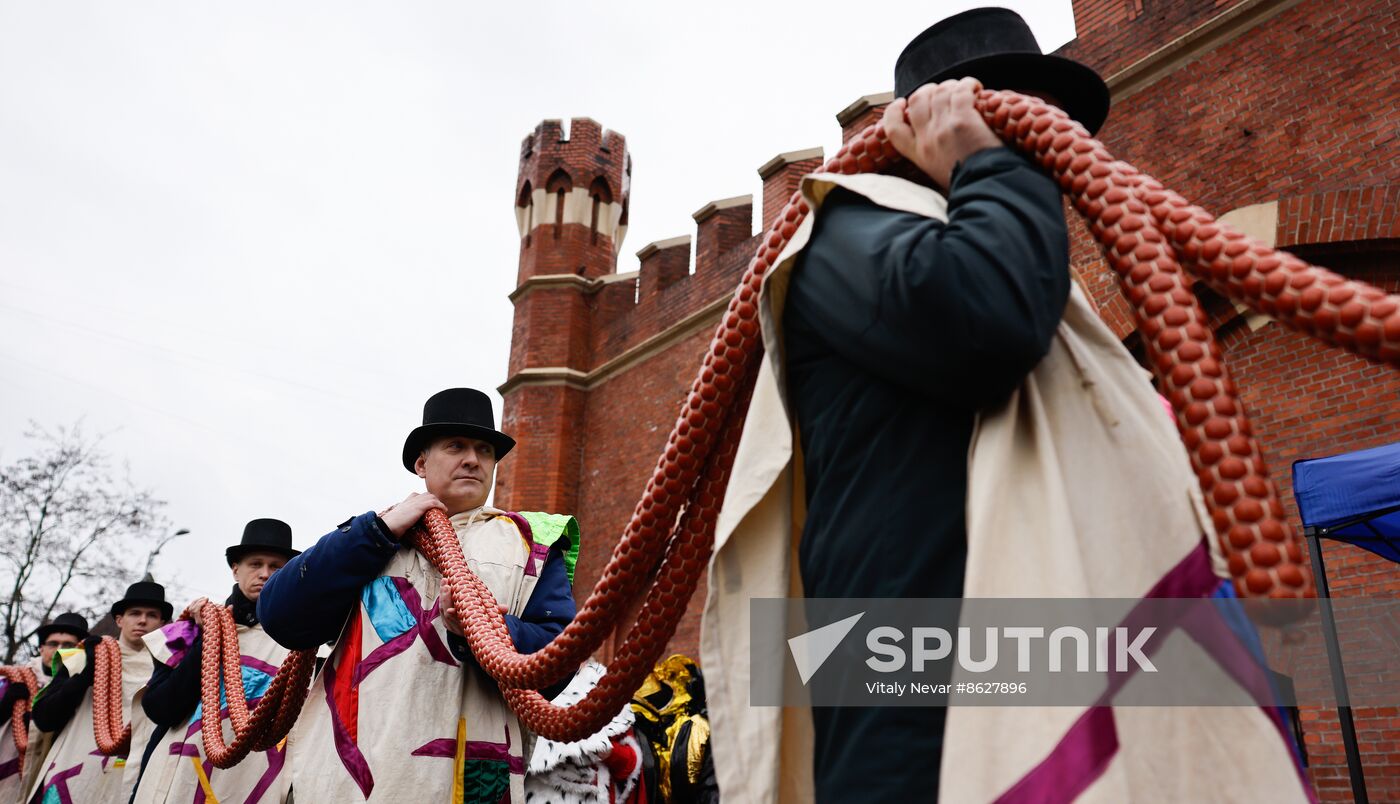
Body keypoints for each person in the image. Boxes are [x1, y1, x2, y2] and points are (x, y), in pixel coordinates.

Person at [702, 7, 1311, 802]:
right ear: (938, 125)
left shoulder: (1030, 280)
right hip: (919, 717)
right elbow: (984, 320)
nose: (1043, 147)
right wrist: (987, 165)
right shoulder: (844, 232)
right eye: (1013, 113)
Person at [257, 387, 579, 802]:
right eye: (456, 446)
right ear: (421, 463)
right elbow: (282, 617)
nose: (473, 459)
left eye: (484, 450)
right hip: (346, 784)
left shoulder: (531, 544)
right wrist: (376, 531)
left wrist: (483, 630)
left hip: (467, 783)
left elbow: (557, 667)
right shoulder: (371, 537)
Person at [127, 519, 300, 804]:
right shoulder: (188, 631)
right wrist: (207, 638)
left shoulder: (304, 646)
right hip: (177, 781)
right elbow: (160, 709)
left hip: (248, 786)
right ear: (235, 569)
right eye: (255, 564)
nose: (265, 574)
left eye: (276, 567)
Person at [26, 582, 168, 803]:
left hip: (133, 781)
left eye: (152, 615)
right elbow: (44, 718)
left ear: (163, 623)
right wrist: (83, 675)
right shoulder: (83, 657)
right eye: (135, 613)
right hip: (73, 780)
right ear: (119, 620)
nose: (142, 620)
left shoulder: (170, 666)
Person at [0, 613, 89, 800]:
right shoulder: (15, 679)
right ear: (41, 648)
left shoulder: (88, 685)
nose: (59, 650)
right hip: (12, 775)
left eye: (68, 645)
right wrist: (5, 706)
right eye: (53, 644)